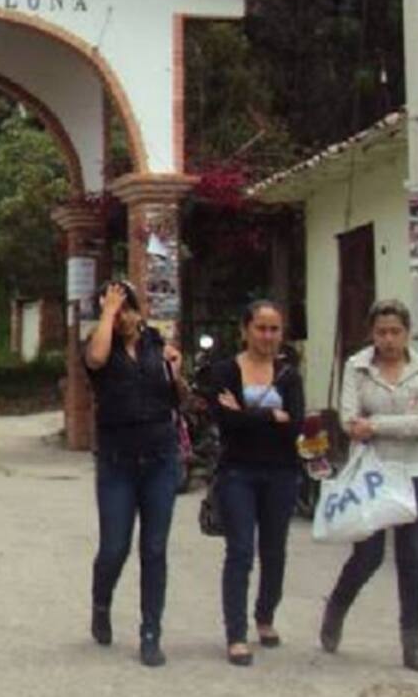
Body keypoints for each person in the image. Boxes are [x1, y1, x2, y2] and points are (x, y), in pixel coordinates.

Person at [319, 299, 418, 676]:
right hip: (371, 472)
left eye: (395, 332)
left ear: (407, 334)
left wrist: (375, 425)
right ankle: (337, 606)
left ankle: (413, 643)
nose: (388, 340)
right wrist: (377, 425)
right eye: (381, 332)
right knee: (368, 555)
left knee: (412, 557)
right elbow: (349, 420)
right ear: (372, 333)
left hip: (413, 470)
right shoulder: (358, 366)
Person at [84, 280, 185, 667]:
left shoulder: (156, 346)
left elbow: (179, 397)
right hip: (117, 461)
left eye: (128, 308)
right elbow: (96, 359)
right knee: (115, 546)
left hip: (160, 457)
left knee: (155, 548)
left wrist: (176, 372)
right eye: (115, 309)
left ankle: (150, 632)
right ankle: (101, 602)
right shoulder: (99, 346)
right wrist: (107, 312)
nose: (123, 316)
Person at [208, 300, 304, 666]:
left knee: (274, 550)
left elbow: (295, 424)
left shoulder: (289, 375)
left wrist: (247, 414)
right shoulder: (225, 371)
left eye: (274, 329)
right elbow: (226, 422)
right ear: (245, 330)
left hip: (282, 472)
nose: (267, 336)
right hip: (238, 472)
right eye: (261, 328)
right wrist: (270, 416)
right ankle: (236, 633)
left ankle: (265, 616)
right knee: (240, 551)